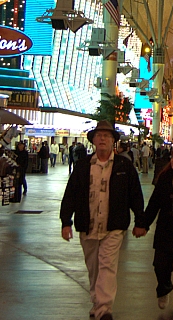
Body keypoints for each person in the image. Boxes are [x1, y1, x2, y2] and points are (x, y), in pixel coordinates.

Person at [60, 120, 147, 320]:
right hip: (88, 225)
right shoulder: (83, 166)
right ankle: (97, 303)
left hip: (113, 227)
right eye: (99, 135)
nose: (102, 139)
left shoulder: (124, 166)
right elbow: (70, 194)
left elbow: (135, 195)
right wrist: (66, 221)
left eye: (106, 136)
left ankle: (104, 310)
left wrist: (140, 221)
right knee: (94, 268)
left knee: (107, 266)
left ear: (113, 142)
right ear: (93, 140)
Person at [137, 146, 173, 310]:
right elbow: (154, 203)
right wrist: (143, 224)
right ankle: (164, 287)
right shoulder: (165, 178)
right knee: (160, 265)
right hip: (166, 229)